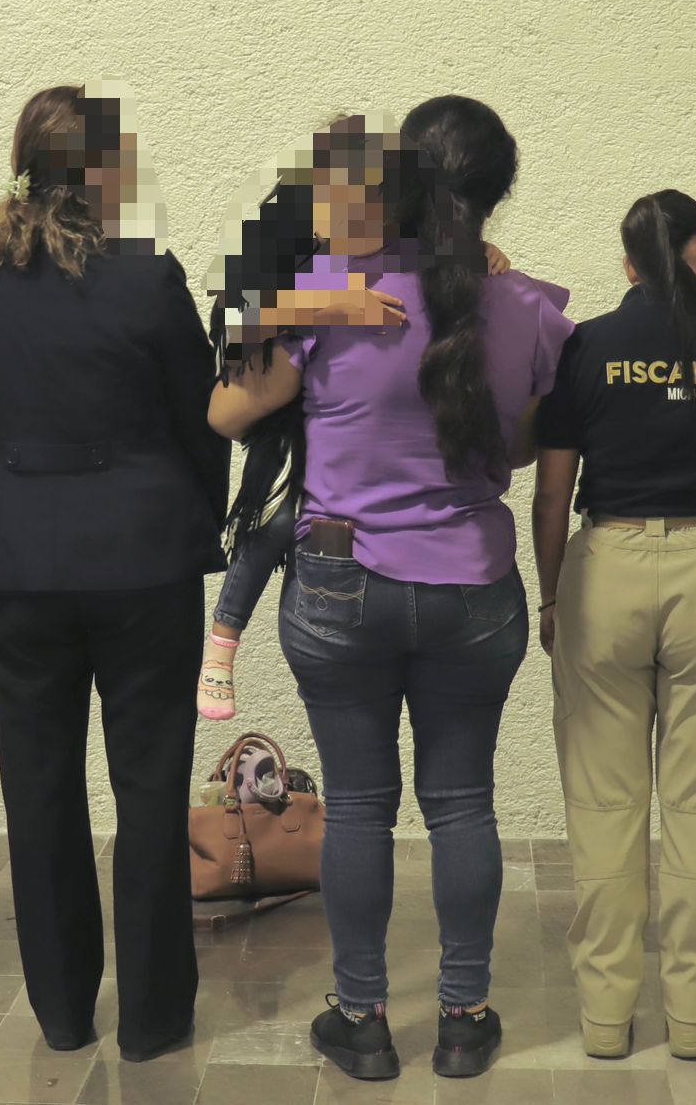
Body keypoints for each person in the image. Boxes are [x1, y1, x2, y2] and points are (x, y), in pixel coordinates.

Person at [208, 97, 572, 1081]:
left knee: (361, 806)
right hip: (474, 588)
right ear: (495, 193)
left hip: (342, 584)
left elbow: (226, 414)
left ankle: (362, 1018)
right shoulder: (529, 308)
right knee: (463, 804)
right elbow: (520, 448)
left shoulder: (337, 294)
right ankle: (465, 1017)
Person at [0, 81, 226, 1062]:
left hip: (16, 564)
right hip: (144, 560)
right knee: (150, 785)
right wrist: (189, 513)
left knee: (38, 784)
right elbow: (202, 423)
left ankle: (60, 1009)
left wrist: (5, 502)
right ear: (108, 173)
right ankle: (153, 1016)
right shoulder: (149, 278)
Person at [533, 189, 696, 1060]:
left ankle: (606, 1021)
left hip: (602, 566)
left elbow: (552, 493)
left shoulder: (586, 345)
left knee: (603, 805)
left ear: (629, 264)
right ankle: (691, 1023)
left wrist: (552, 595)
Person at [195, 118, 509, 721]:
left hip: (352, 458)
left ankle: (222, 640)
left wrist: (482, 252)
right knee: (272, 517)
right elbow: (233, 315)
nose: (329, 223)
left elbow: (448, 256)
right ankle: (223, 639)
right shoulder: (292, 224)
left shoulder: (408, 240)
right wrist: (326, 304)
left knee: (287, 516)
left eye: (350, 214)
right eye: (322, 204)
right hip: (277, 393)